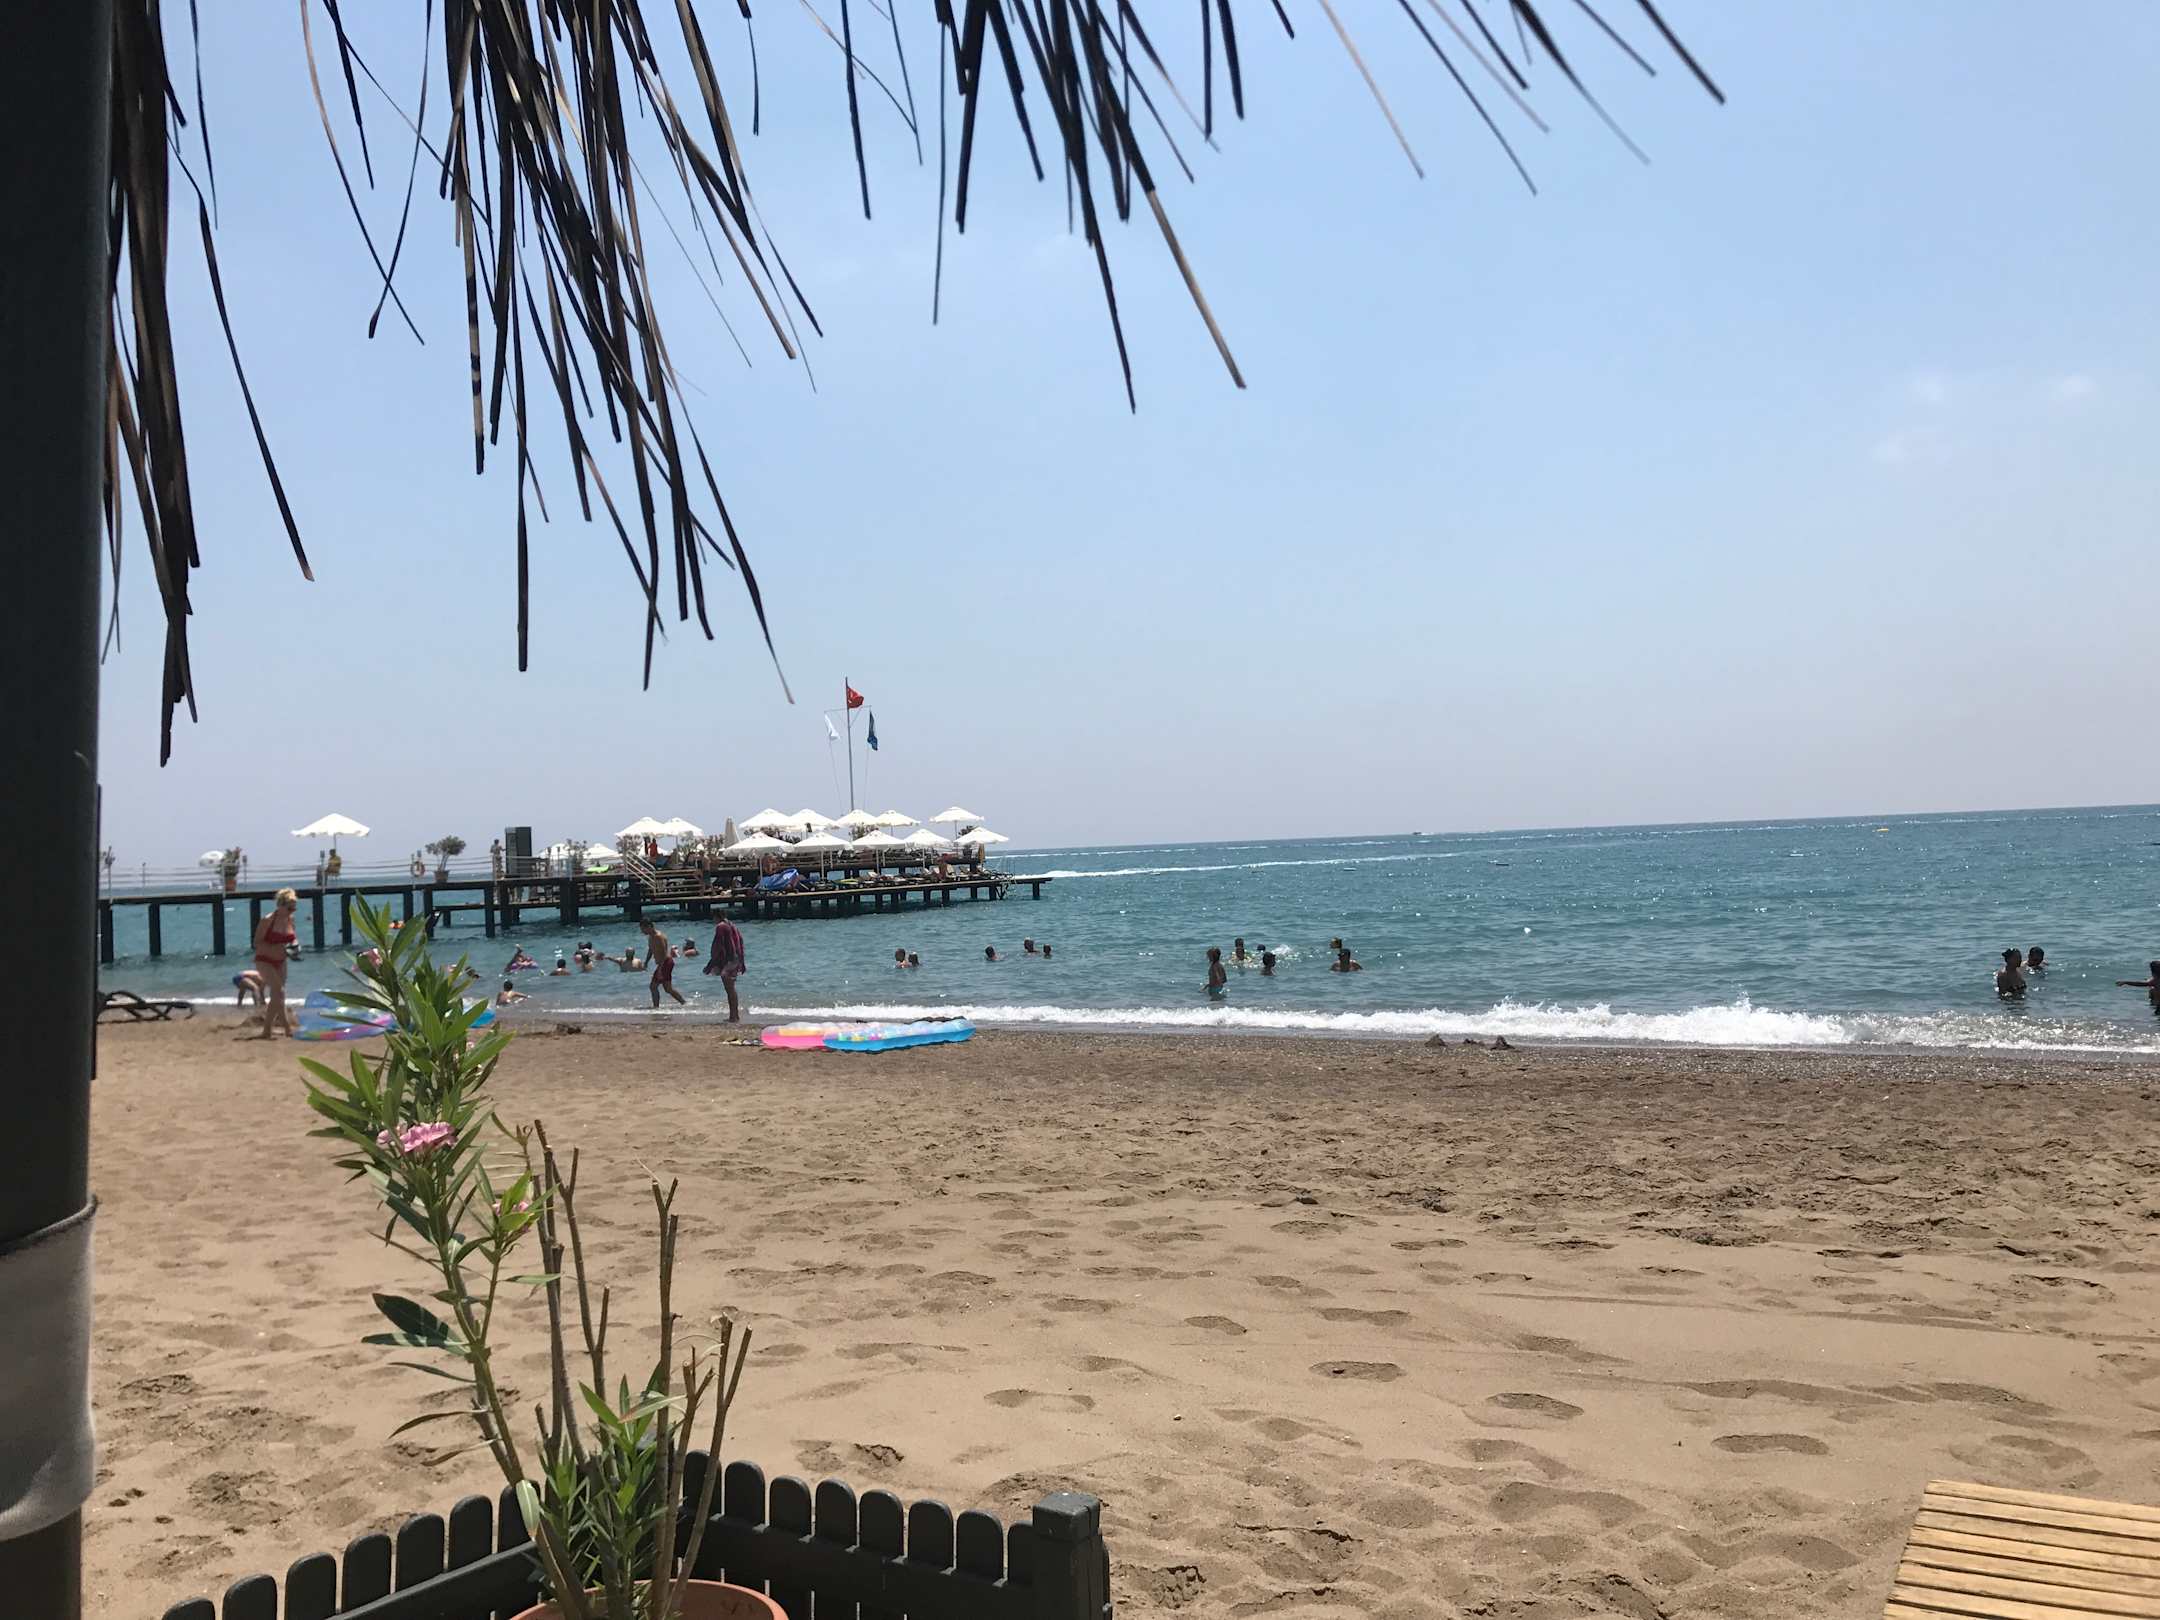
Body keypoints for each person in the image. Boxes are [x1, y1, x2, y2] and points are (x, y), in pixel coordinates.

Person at [251, 888, 300, 1037]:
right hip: (264, 960)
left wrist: (295, 947)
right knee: (279, 991)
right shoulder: (268, 920)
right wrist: (278, 947)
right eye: (290, 908)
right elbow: (256, 943)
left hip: (281, 960)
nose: (292, 911)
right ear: (280, 905)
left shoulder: (290, 920)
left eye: (294, 908)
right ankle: (284, 1028)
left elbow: (293, 938)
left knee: (278, 996)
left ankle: (270, 1030)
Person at [705, 912, 746, 1022]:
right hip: (736, 959)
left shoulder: (721, 926)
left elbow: (718, 944)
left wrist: (712, 962)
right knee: (731, 988)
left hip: (728, 960)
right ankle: (735, 1015)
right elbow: (740, 942)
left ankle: (733, 1016)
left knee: (729, 989)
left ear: (717, 917)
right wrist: (742, 961)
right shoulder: (732, 925)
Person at [640, 919, 686, 1007]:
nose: (642, 932)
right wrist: (646, 962)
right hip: (664, 963)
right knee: (668, 989)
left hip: (665, 962)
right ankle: (684, 1003)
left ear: (649, 927)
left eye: (643, 929)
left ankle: (656, 1008)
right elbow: (651, 950)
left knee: (653, 986)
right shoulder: (650, 937)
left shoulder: (658, 936)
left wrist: (660, 969)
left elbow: (664, 953)